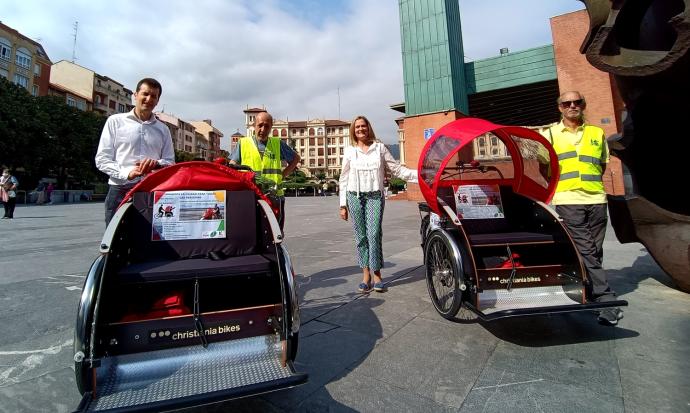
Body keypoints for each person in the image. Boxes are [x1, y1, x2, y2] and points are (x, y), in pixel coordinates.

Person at [543, 91, 622, 326]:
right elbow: (542, 166)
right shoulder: (550, 134)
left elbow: (602, 165)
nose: (572, 106)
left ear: (583, 105)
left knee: (594, 250)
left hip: (597, 198)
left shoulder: (597, 133)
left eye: (577, 102)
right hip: (568, 199)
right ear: (560, 108)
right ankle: (605, 297)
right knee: (587, 248)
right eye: (567, 103)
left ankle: (581, 286)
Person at [339, 115, 418, 293]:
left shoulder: (380, 148)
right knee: (361, 236)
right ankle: (365, 274)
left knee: (373, 234)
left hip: (375, 196)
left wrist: (420, 174)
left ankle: (377, 274)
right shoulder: (350, 151)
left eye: (363, 126)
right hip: (354, 196)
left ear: (369, 128)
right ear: (354, 130)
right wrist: (342, 204)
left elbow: (397, 170)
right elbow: (343, 178)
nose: (360, 129)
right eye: (357, 127)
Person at [95, 78, 175, 226]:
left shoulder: (163, 129)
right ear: (135, 94)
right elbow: (102, 159)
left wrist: (156, 164)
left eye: (154, 96)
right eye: (145, 94)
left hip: (151, 192)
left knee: (148, 242)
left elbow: (171, 163)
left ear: (158, 100)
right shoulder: (115, 121)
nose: (148, 99)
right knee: (115, 243)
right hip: (119, 190)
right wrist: (127, 173)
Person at [229, 111, 300, 228]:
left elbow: (296, 158)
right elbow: (232, 165)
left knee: (274, 232)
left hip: (274, 196)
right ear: (254, 126)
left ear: (271, 127)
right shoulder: (243, 143)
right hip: (250, 195)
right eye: (260, 125)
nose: (263, 129)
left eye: (267, 126)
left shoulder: (278, 144)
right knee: (251, 230)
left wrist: (282, 175)